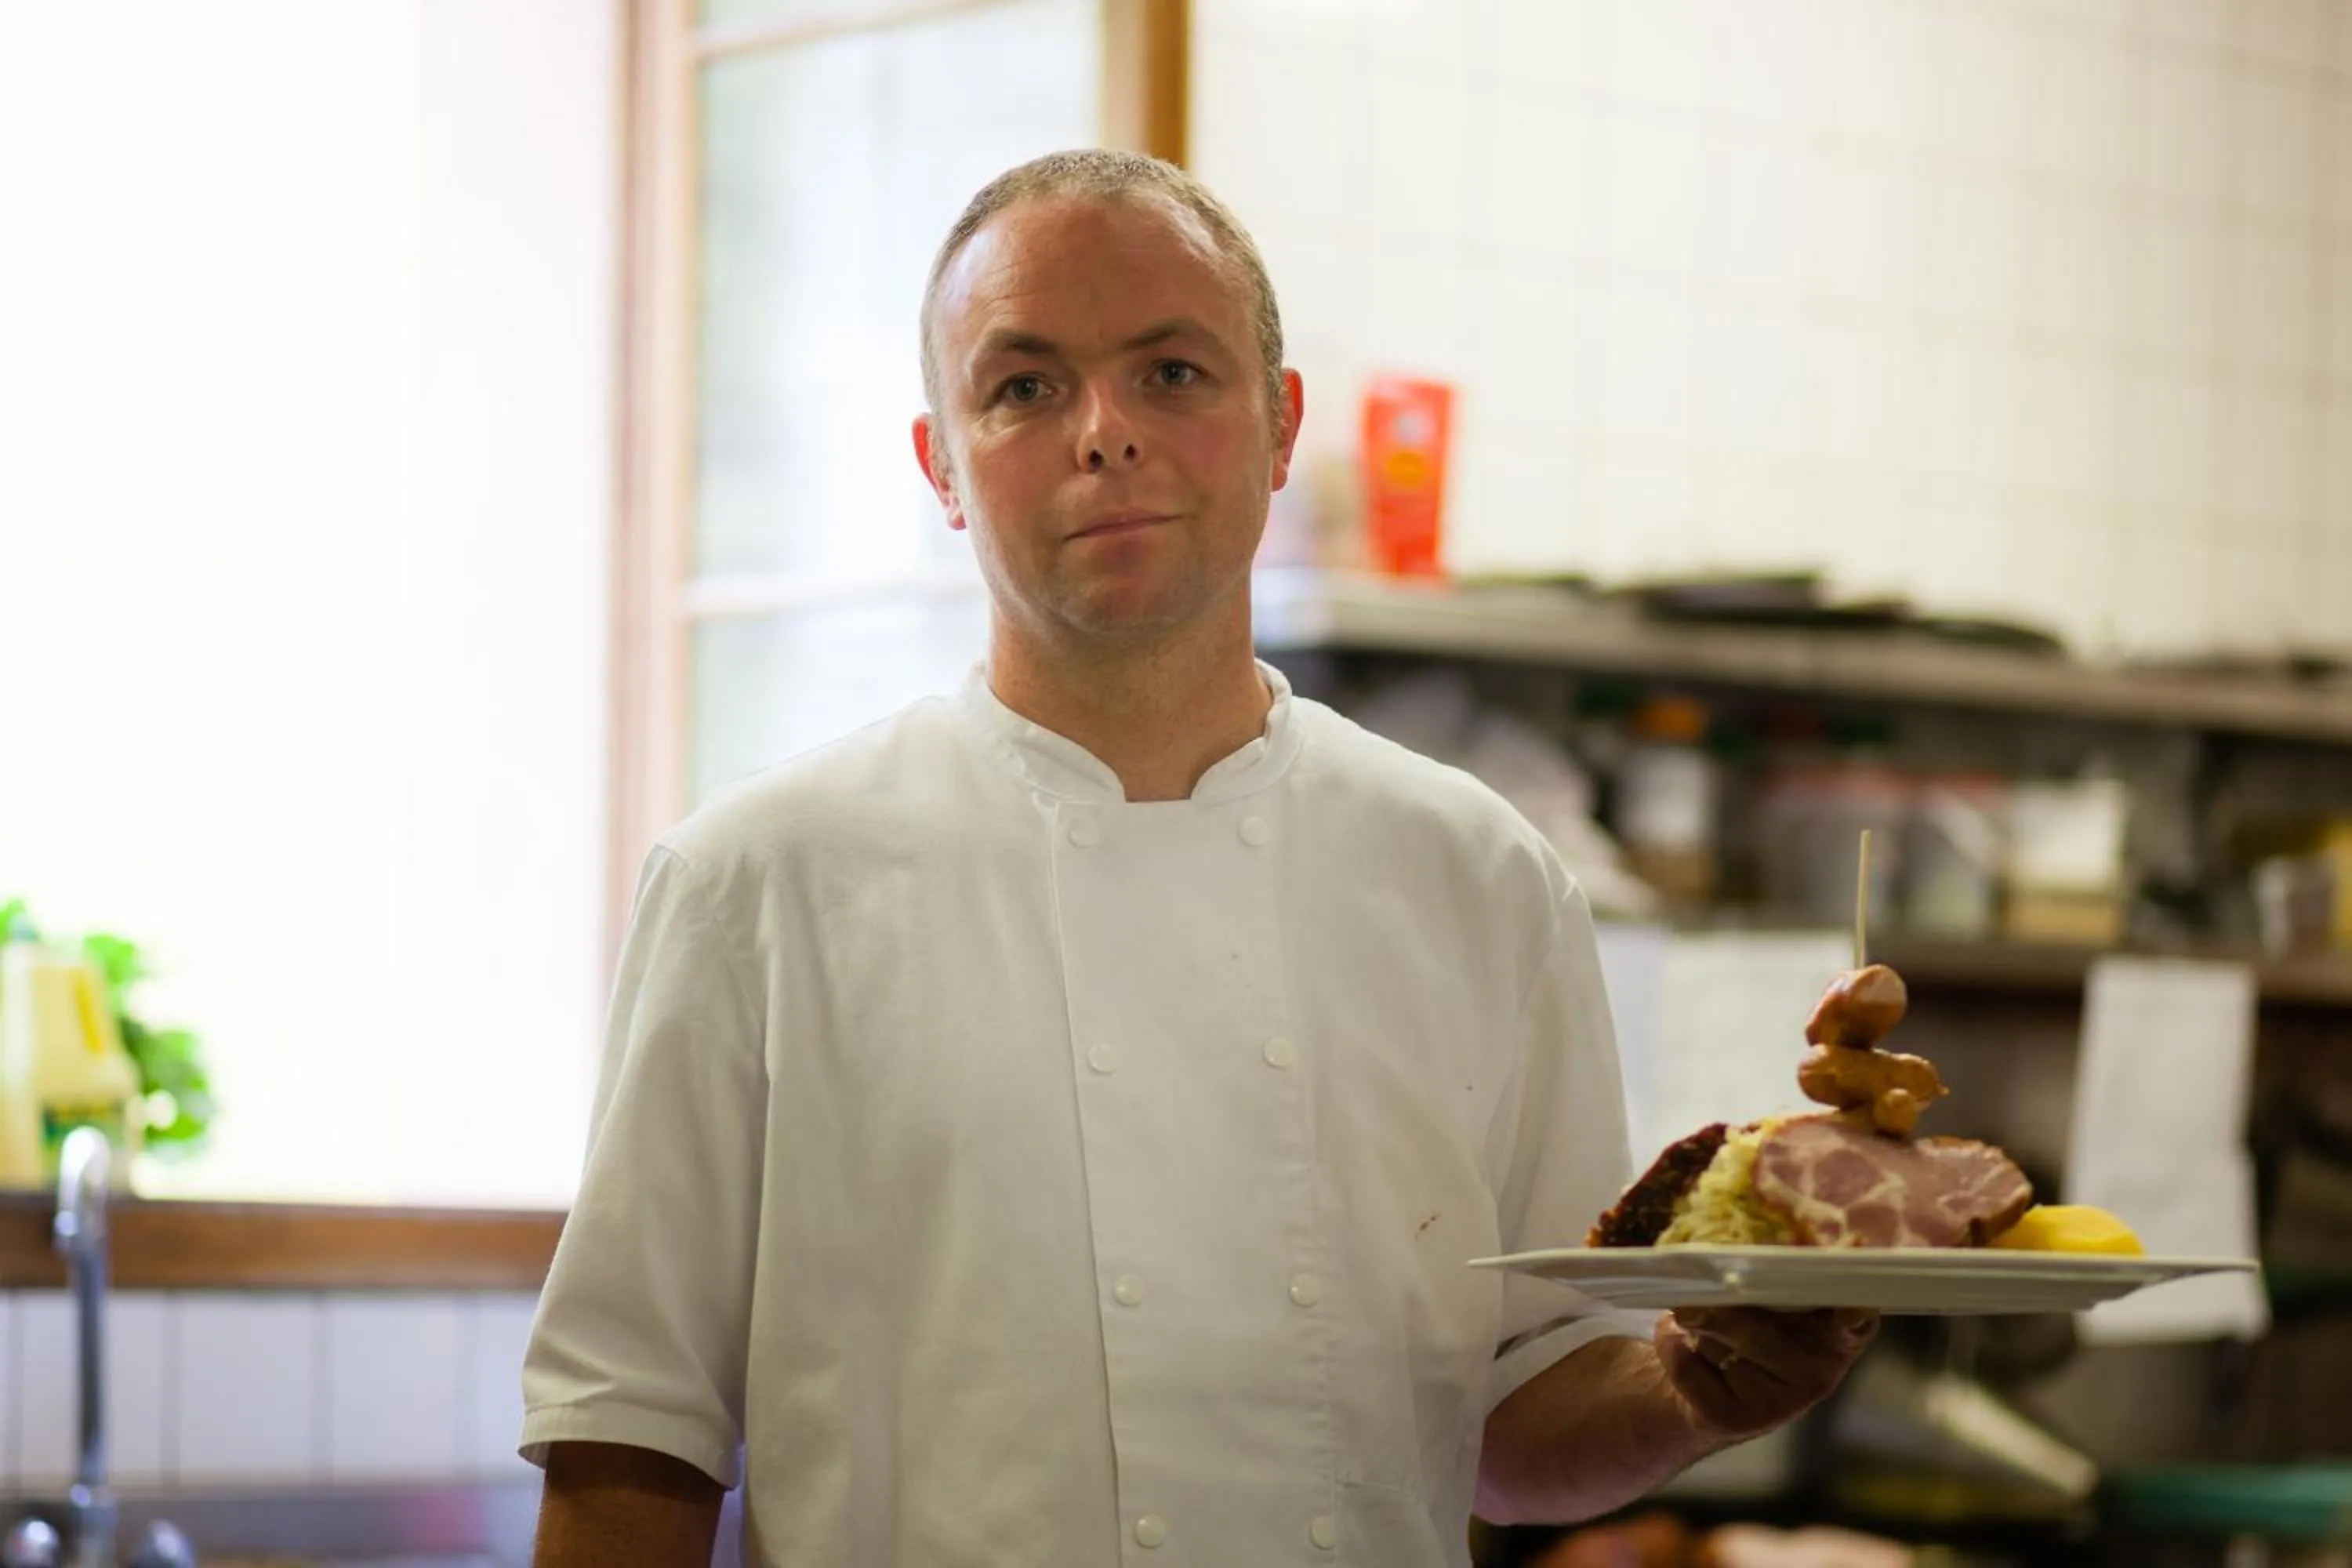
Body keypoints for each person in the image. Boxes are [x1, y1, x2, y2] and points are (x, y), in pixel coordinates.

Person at [519, 149, 1875, 1567]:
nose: (1105, 433)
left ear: (1281, 427)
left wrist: (1694, 1391)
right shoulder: (756, 885)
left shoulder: (1480, 878)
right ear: (942, 468)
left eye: (1171, 372)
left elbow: (1520, 1419)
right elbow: (630, 1441)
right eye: (1024, 387)